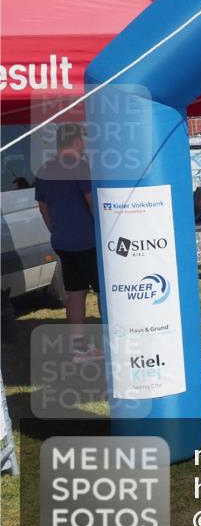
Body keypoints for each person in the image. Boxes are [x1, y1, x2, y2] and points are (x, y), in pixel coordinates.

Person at [34, 123, 103, 363]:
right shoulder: (80, 165)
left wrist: (57, 230)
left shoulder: (44, 169)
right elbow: (92, 203)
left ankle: (79, 348)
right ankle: (112, 345)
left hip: (63, 241)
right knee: (104, 293)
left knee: (74, 293)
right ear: (74, 141)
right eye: (83, 140)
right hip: (88, 240)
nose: (85, 144)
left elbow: (43, 209)